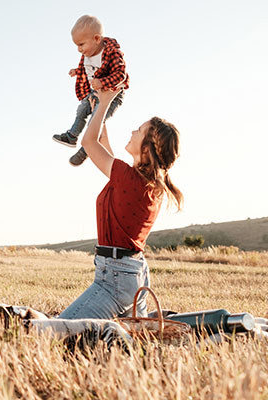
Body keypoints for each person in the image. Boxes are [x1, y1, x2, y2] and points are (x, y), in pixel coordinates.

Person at [57, 87, 183, 319]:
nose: (133, 131)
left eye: (140, 130)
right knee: (127, 336)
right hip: (129, 274)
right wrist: (99, 112)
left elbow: (88, 141)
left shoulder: (128, 177)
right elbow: (101, 143)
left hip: (115, 280)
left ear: (146, 148)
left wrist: (106, 102)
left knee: (55, 332)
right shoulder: (143, 183)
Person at [52, 15, 129, 167]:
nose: (79, 49)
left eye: (81, 44)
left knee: (96, 121)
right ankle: (72, 136)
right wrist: (77, 71)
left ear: (96, 38)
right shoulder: (87, 54)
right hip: (94, 93)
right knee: (81, 110)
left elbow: (121, 74)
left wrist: (102, 82)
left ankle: (86, 149)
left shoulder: (112, 53)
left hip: (111, 94)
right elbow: (87, 68)